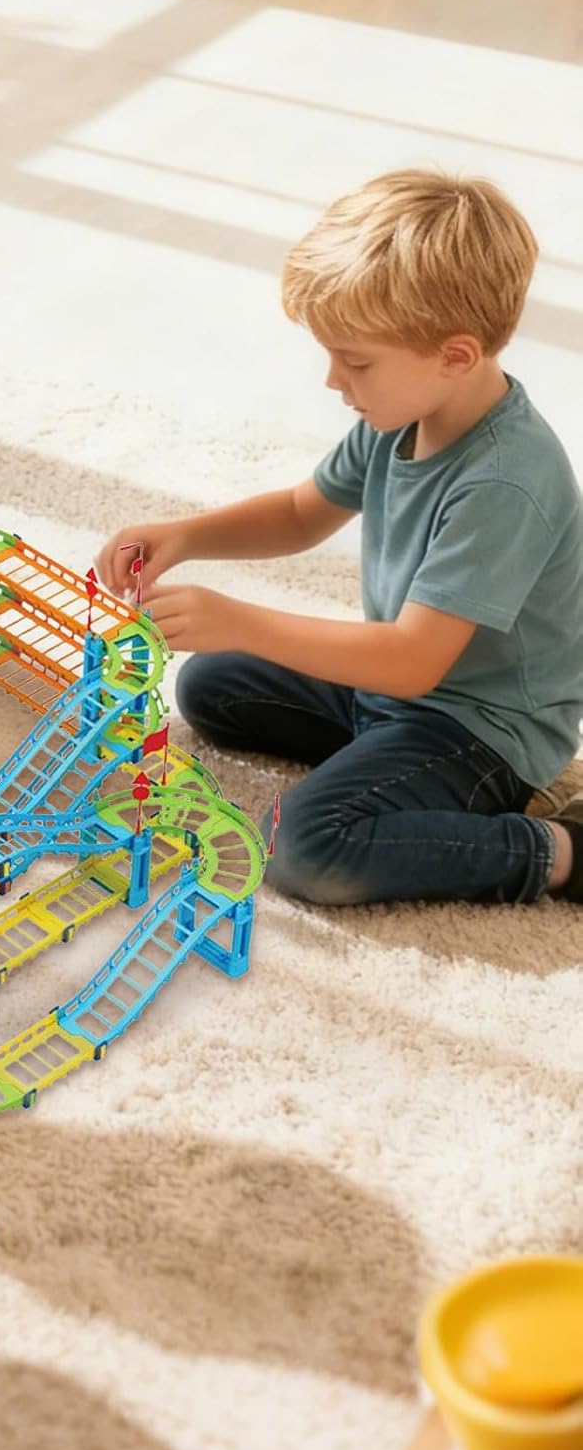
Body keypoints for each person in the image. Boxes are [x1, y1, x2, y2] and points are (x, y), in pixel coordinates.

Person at [97, 169, 583, 907]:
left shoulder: (506, 482)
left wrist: (239, 619)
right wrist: (185, 535)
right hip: (391, 692)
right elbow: (302, 513)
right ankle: (390, 766)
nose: (333, 379)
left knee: (304, 848)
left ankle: (560, 852)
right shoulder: (401, 419)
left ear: (455, 355)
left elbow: (414, 661)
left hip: (482, 731)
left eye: (355, 361)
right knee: (209, 685)